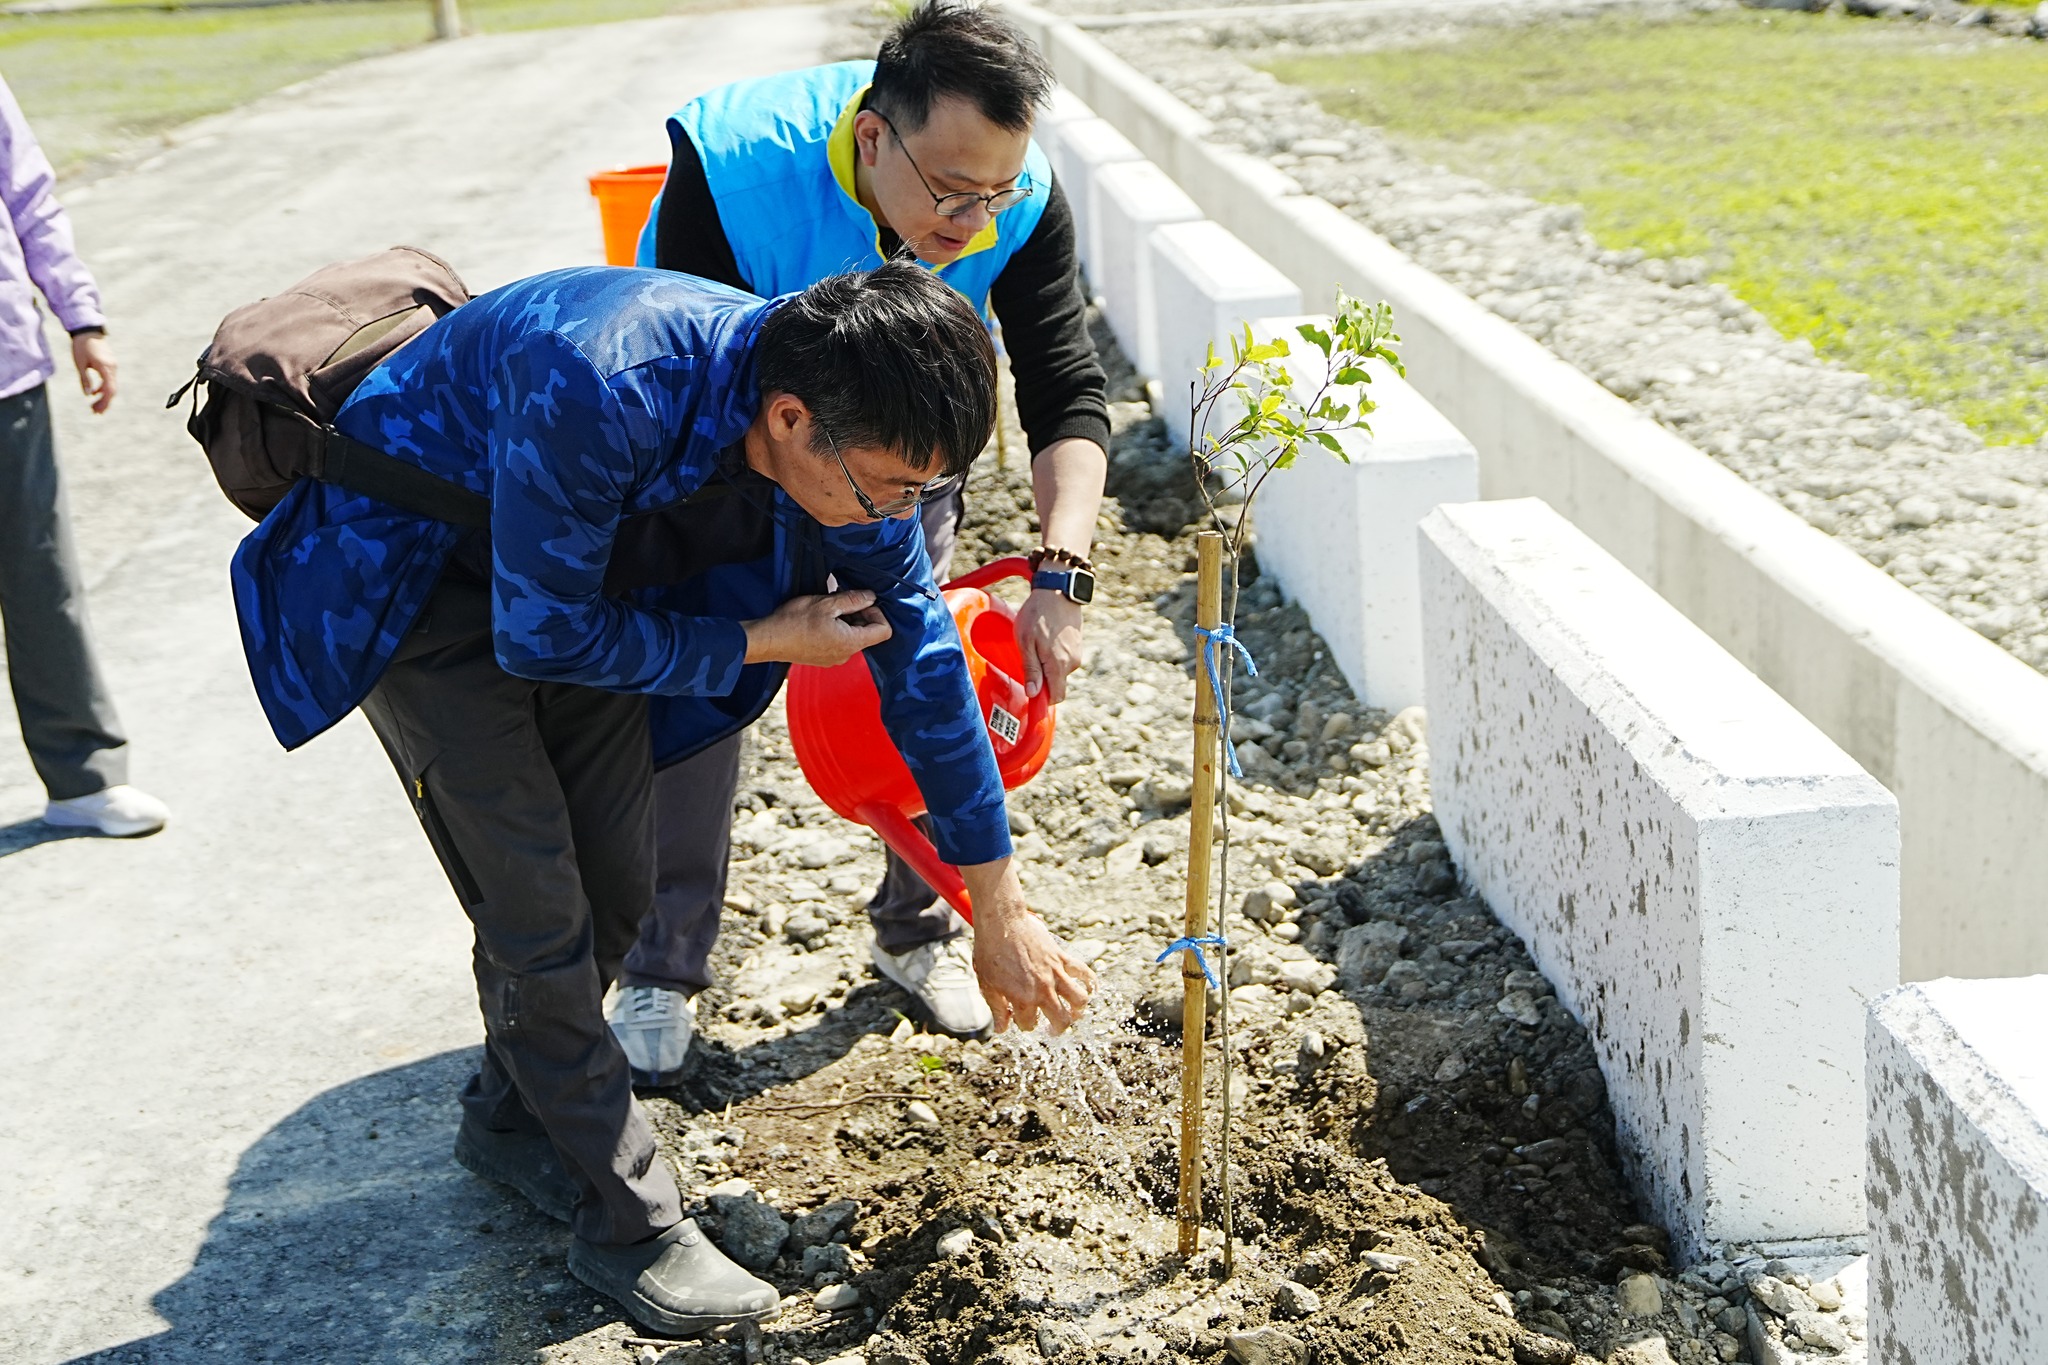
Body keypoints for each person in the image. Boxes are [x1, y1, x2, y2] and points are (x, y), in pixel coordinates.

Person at [230, 261, 1096, 1332]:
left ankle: (510, 1118)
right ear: (788, 421)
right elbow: (535, 634)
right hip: (422, 582)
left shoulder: (853, 425)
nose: (898, 515)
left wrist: (995, 904)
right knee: (536, 915)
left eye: (921, 490)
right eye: (889, 490)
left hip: (584, 581)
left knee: (616, 893)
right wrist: (760, 640)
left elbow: (921, 659)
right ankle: (629, 1224)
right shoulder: (607, 384)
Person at [612, 0, 1108, 1074]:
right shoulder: (734, 164)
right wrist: (767, 624)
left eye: (997, 191)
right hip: (731, 443)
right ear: (874, 137)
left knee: (923, 670)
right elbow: (695, 390)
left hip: (895, 461)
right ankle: (659, 962)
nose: (973, 222)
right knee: (698, 684)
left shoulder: (1013, 200)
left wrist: (1060, 572)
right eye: (949, 192)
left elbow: (1065, 386)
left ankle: (919, 922)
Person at [0, 77, 169, 838]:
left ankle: (83, 778)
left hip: (6, 374)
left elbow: (29, 196)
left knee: (40, 575)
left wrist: (81, 317)